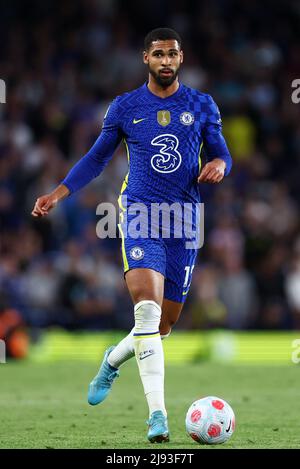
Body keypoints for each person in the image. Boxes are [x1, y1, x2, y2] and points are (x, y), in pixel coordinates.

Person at [32, 27, 232, 443]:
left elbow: (221, 150)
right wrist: (58, 193)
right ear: (145, 58)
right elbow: (96, 158)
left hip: (184, 219)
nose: (165, 61)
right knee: (146, 310)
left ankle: (112, 359)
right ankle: (157, 416)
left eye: (172, 54)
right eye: (158, 54)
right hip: (140, 213)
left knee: (163, 325)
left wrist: (220, 165)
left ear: (181, 58)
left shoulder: (201, 104)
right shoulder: (125, 106)